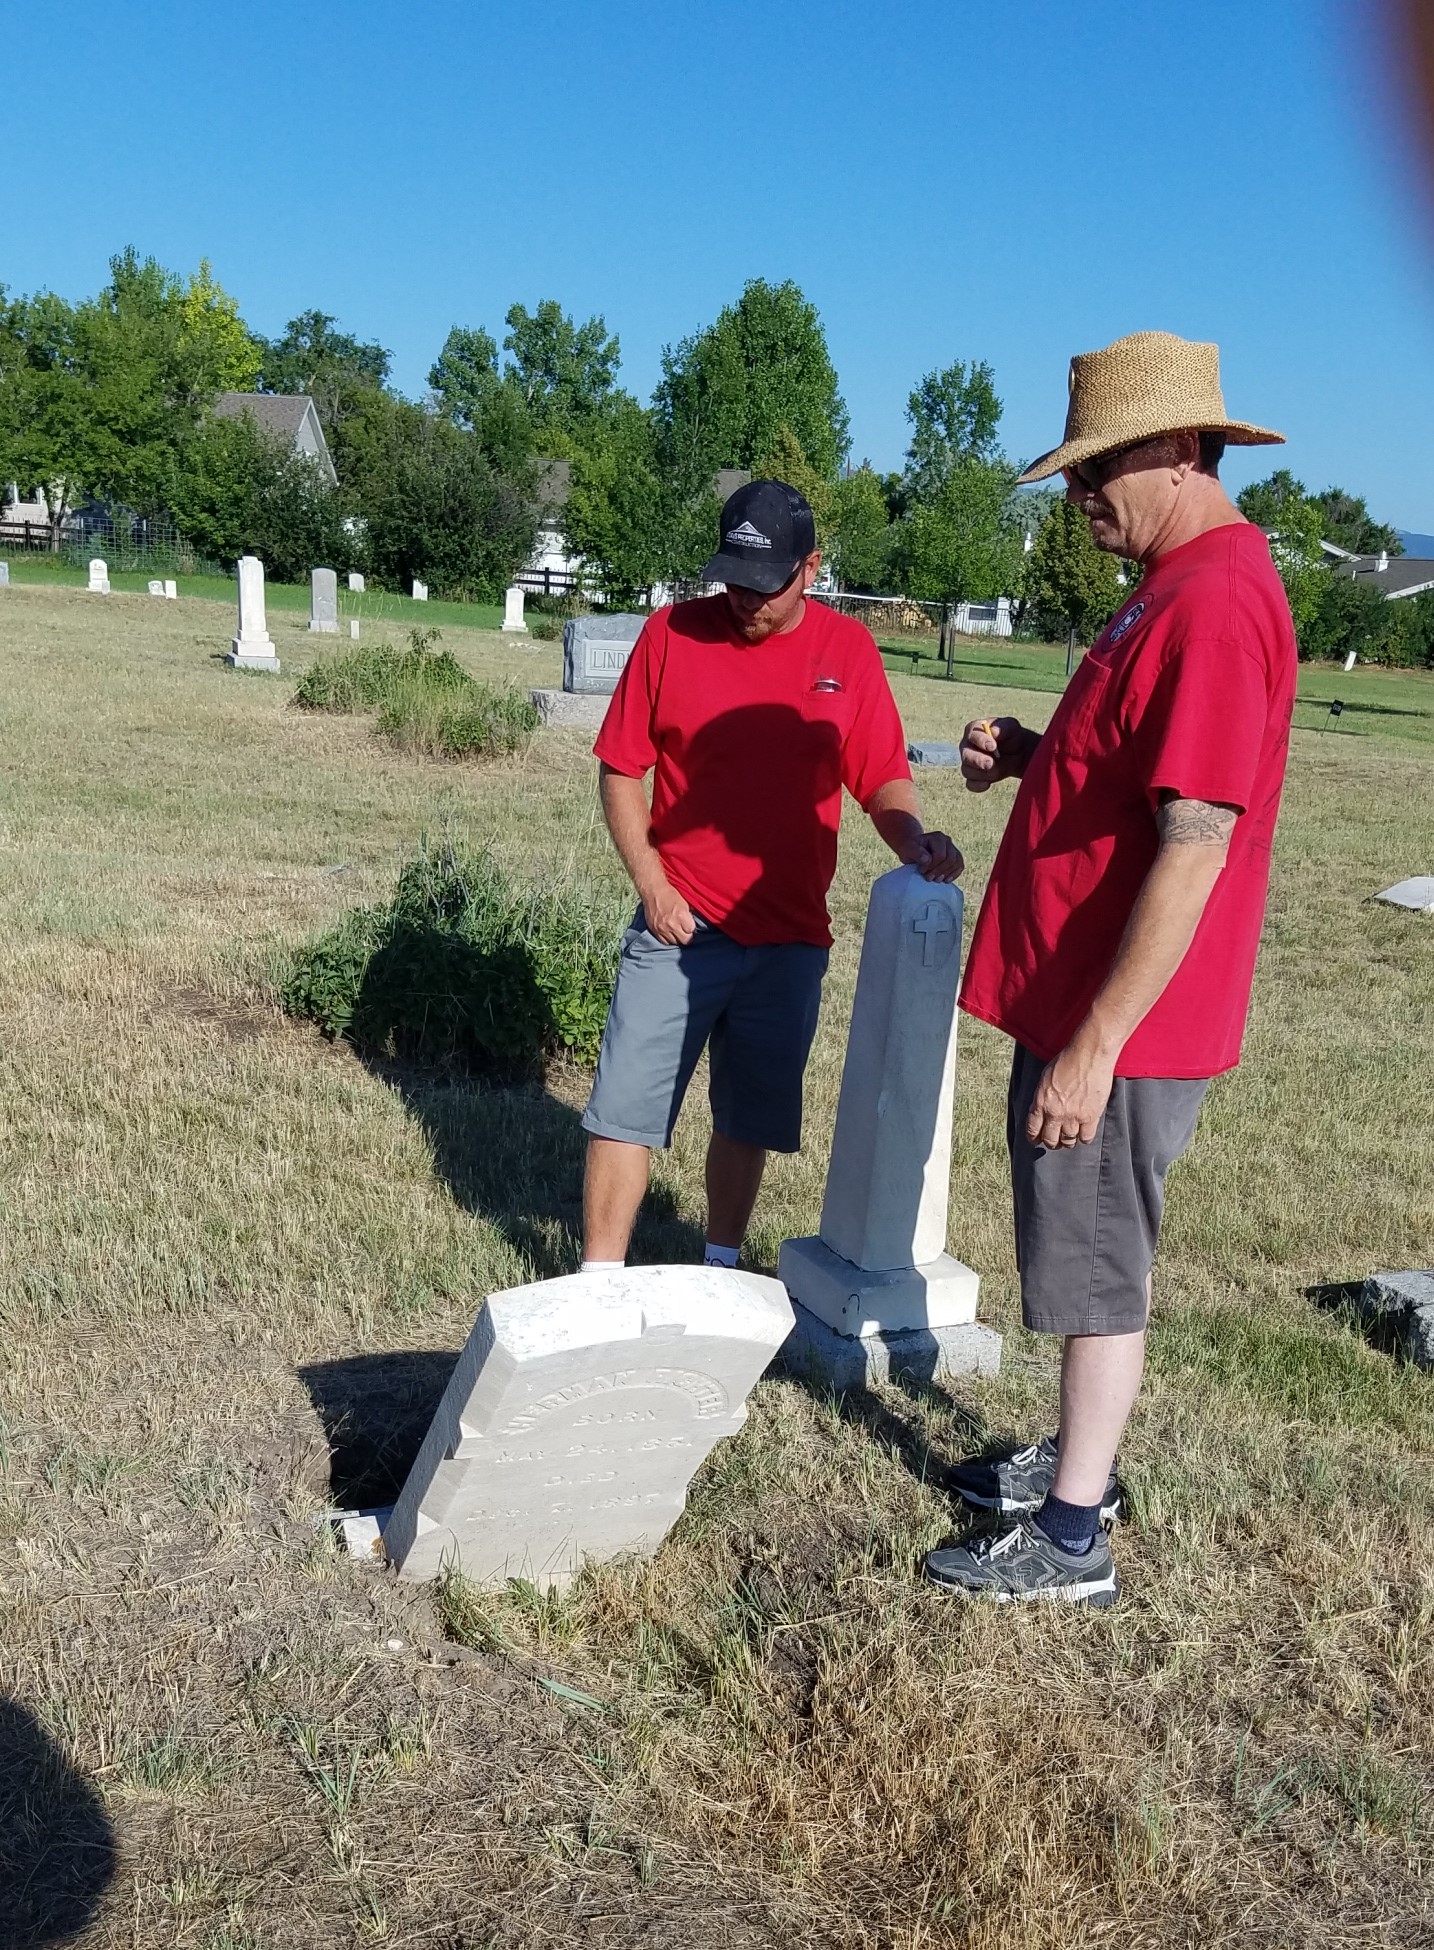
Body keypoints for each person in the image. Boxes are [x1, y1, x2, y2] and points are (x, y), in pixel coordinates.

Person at [923, 331, 1298, 1607]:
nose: (1082, 501)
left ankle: (1073, 1534)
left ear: (1182, 452)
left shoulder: (1214, 601)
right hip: (1085, 997)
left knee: (1098, 1260)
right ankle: (1078, 1462)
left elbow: (1195, 847)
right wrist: (1039, 752)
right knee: (1087, 1251)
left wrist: (1095, 1045)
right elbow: (1141, 777)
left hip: (1120, 1021)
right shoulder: (1168, 583)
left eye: (1100, 474)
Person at [579, 478, 961, 1274]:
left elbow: (880, 775)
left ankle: (719, 1264)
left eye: (766, 584)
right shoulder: (671, 634)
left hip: (788, 935)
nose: (744, 599)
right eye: (732, 579)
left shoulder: (846, 652)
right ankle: (599, 1280)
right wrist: (651, 882)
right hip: (678, 927)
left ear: (811, 568)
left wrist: (914, 842)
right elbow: (621, 768)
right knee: (627, 1111)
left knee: (748, 1115)